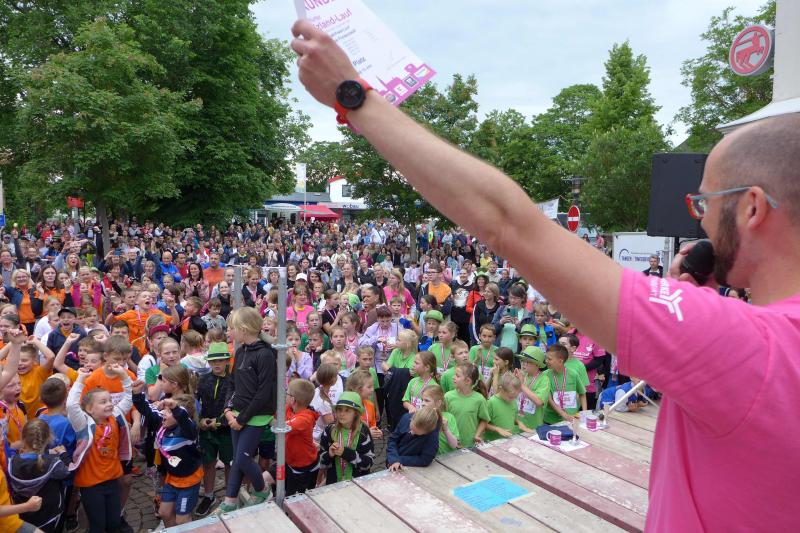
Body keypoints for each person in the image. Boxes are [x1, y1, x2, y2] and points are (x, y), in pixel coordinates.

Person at [292, 28, 800, 526]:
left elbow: (508, 223)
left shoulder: (742, 345)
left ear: (752, 208)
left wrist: (354, 97)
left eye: (705, 203)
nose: (700, 223)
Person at [219, 307, 276, 514]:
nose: (228, 332)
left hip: (256, 416)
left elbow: (263, 393)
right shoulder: (240, 350)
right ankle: (230, 500)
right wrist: (228, 408)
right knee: (237, 459)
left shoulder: (265, 354)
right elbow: (232, 383)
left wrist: (241, 419)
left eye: (231, 328)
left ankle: (262, 489)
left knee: (242, 459)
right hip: (238, 413)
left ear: (243, 330)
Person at [67, 365, 132, 533]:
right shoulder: (83, 424)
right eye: (103, 402)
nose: (110, 404)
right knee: (97, 526)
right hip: (91, 484)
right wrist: (80, 379)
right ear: (89, 409)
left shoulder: (115, 417)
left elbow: (129, 397)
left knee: (114, 524)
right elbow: (71, 405)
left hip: (112, 479)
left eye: (110, 400)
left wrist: (123, 376)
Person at [132, 390, 202, 527]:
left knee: (182, 520)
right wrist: (137, 394)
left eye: (169, 412)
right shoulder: (163, 423)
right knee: (164, 512)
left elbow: (184, 420)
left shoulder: (188, 431)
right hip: (172, 478)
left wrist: (175, 408)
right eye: (165, 410)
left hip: (188, 480)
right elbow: (146, 410)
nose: (164, 413)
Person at [8, 419, 70, 532]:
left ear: (23, 439)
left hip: (23, 515)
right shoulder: (53, 463)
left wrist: (47, 453)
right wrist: (63, 453)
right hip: (50, 515)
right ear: (48, 439)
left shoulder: (12, 462)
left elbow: (30, 458)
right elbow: (67, 472)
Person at [262, 379, 319, 497]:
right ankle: (270, 498)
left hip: (302, 468)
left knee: (293, 500)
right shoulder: (289, 408)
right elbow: (274, 412)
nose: (285, 396)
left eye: (287, 393)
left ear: (293, 399)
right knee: (263, 479)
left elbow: (281, 426)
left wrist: (264, 418)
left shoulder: (305, 419)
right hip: (287, 462)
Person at [195, 342, 233, 517]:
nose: (217, 364)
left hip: (226, 429)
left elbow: (233, 405)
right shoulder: (203, 380)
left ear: (227, 361)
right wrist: (200, 420)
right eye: (213, 361)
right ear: (209, 362)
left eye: (220, 360)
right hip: (206, 429)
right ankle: (209, 495)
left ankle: (230, 497)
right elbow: (197, 403)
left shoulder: (233, 381)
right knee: (208, 462)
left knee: (229, 463)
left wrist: (219, 422)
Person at [316, 392, 374, 486]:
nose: (342, 414)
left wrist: (346, 453)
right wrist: (329, 454)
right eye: (339, 409)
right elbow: (320, 461)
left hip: (358, 485)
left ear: (356, 413)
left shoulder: (363, 432)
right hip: (334, 484)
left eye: (347, 410)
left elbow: (368, 463)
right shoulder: (329, 430)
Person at [476, 373, 532, 442]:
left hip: (508, 441)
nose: (513, 399)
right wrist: (497, 429)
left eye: (515, 397)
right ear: (501, 389)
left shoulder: (513, 402)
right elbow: (482, 423)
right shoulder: (491, 403)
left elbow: (512, 418)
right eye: (510, 397)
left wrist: (519, 423)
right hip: (493, 442)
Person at [444, 363, 489, 447]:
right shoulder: (448, 396)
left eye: (457, 376)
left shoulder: (479, 399)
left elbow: (484, 420)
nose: (453, 377)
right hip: (451, 445)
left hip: (470, 445)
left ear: (467, 381)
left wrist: (477, 435)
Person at [386, 406, 439, 472]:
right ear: (411, 419)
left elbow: (425, 459)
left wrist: (399, 460)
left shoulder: (432, 436)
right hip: (392, 460)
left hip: (410, 468)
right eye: (411, 428)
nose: (411, 432)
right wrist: (393, 458)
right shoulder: (406, 418)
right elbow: (392, 440)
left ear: (427, 432)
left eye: (416, 433)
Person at [514, 346, 550, 430]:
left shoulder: (544, 379)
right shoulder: (522, 374)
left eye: (528, 362)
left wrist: (521, 385)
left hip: (533, 427)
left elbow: (539, 401)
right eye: (522, 360)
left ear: (537, 364)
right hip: (516, 424)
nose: (523, 364)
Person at [421, 385, 460, 455]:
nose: (423, 403)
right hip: (428, 458)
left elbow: (454, 445)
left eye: (427, 400)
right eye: (422, 400)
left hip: (446, 458)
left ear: (438, 403)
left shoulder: (449, 417)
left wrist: (446, 430)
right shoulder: (420, 416)